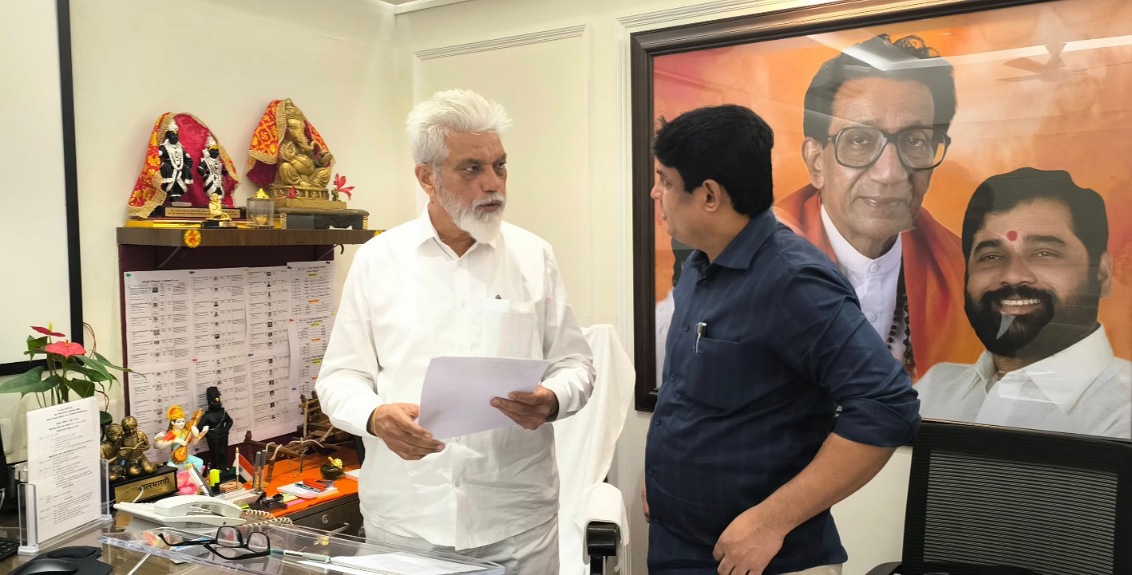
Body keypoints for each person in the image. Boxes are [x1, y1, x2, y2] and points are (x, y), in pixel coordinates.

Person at [316, 89, 595, 573]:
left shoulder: (534, 257)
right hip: (407, 521)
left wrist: (552, 399)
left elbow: (576, 364)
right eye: (472, 168)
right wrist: (375, 415)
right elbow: (339, 378)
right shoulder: (378, 260)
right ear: (427, 177)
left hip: (516, 522)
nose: (493, 184)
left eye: (500, 166)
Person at [645, 104, 920, 575]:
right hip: (679, 544)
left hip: (762, 560)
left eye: (665, 181)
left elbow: (887, 407)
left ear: (709, 195)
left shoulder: (794, 282)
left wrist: (770, 521)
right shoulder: (699, 266)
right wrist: (664, 475)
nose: (656, 193)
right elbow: (691, 394)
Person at [774, 33, 981, 377]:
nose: (890, 173)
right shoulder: (754, 265)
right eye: (859, 140)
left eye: (915, 141)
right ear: (816, 161)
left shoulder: (965, 275)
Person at [916, 168, 1131, 438]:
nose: (1013, 275)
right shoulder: (935, 389)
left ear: (1102, 274)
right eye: (991, 256)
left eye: (1044, 253)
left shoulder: (1122, 409)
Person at [154, 405, 210, 473]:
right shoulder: (172, 433)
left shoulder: (185, 432)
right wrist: (174, 441)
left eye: (183, 421)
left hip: (185, 456)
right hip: (176, 458)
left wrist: (201, 433)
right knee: (172, 468)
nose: (181, 424)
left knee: (199, 462)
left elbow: (194, 442)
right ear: (173, 423)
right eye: (179, 422)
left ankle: (192, 478)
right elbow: (158, 446)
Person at [199, 386, 234, 470]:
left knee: (223, 452)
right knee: (215, 454)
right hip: (213, 437)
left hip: (223, 435)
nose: (216, 403)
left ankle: (224, 467)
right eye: (214, 401)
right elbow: (199, 427)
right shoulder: (207, 416)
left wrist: (226, 429)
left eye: (217, 401)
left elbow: (230, 421)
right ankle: (217, 468)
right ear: (210, 403)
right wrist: (208, 433)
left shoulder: (223, 413)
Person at [158, 119, 193, 202]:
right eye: (173, 135)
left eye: (176, 135)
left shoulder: (180, 148)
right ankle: (173, 196)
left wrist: (185, 168)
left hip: (180, 172)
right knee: (171, 185)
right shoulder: (164, 147)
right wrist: (163, 166)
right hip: (169, 171)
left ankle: (177, 196)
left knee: (179, 185)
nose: (175, 137)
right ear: (168, 136)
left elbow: (189, 160)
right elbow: (156, 157)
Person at [197, 135, 228, 199]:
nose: (215, 152)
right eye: (213, 150)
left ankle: (217, 202)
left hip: (219, 180)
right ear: (208, 151)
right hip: (210, 180)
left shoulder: (219, 161)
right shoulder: (206, 160)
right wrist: (205, 176)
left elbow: (222, 170)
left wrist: (225, 172)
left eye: (217, 150)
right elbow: (200, 168)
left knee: (220, 194)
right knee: (212, 194)